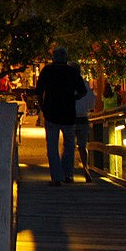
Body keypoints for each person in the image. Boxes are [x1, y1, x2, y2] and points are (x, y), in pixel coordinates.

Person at [35, 47, 87, 186]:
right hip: (68, 113)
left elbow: (39, 92)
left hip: (51, 113)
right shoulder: (72, 72)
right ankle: (68, 174)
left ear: (53, 58)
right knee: (69, 145)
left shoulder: (47, 70)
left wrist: (43, 107)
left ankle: (56, 177)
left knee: (52, 146)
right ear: (66, 58)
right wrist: (72, 98)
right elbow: (83, 91)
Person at [71, 62, 95, 183]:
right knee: (82, 145)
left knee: (68, 144)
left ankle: (67, 172)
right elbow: (92, 103)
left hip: (70, 118)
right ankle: (85, 168)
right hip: (83, 117)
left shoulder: (67, 84)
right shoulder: (85, 85)